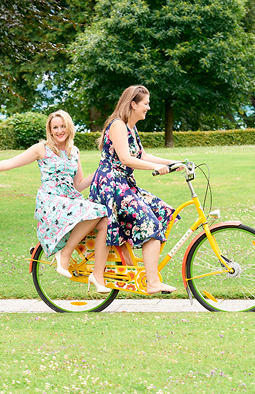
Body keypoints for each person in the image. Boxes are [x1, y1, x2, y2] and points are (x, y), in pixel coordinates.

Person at [0, 110, 111, 293]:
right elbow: (10, 163)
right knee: (97, 211)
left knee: (105, 219)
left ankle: (97, 274)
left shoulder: (74, 151)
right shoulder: (42, 148)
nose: (60, 130)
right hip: (51, 200)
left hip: (69, 199)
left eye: (63, 126)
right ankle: (65, 253)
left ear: (69, 127)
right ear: (50, 130)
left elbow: (77, 185)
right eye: (55, 127)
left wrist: (100, 171)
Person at [89, 85, 179, 294]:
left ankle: (135, 261)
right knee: (150, 222)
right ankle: (152, 281)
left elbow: (143, 156)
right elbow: (126, 159)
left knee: (162, 211)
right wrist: (155, 168)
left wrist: (174, 163)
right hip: (111, 185)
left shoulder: (131, 127)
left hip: (124, 183)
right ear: (133, 104)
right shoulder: (118, 125)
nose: (148, 107)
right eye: (145, 103)